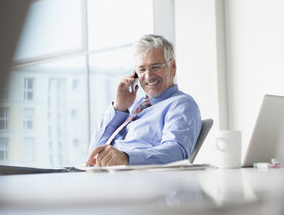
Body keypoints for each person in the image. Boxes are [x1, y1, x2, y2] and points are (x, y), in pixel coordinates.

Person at [86, 34, 202, 166]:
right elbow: (93, 155)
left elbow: (176, 153)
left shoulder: (182, 104)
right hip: (106, 178)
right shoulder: (135, 107)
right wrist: (119, 108)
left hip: (137, 181)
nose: (148, 76)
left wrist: (126, 158)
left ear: (173, 66)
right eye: (141, 69)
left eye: (156, 66)